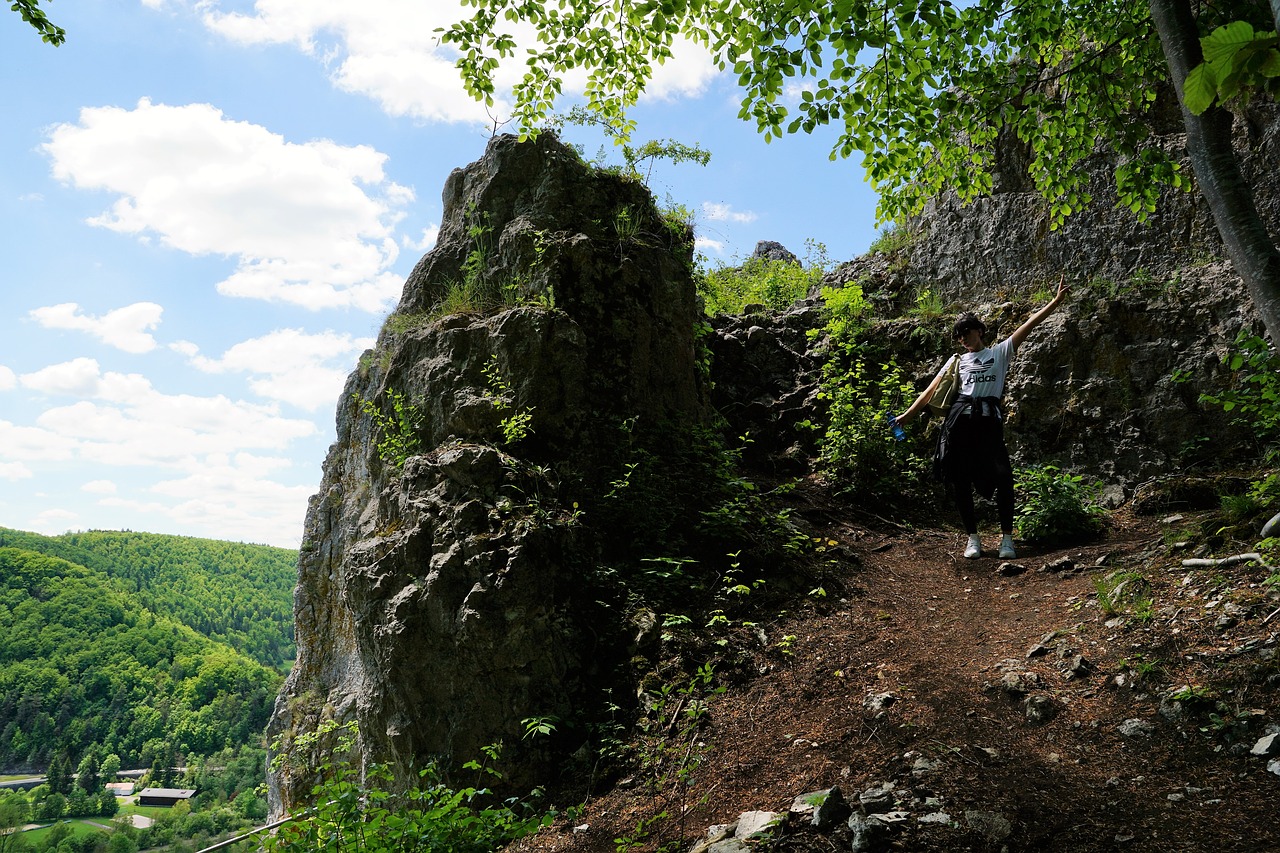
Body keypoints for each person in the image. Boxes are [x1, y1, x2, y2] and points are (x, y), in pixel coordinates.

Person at [891, 277, 1070, 559]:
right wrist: (907, 415)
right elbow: (930, 392)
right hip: (960, 423)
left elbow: (1029, 326)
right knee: (960, 479)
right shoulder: (957, 362)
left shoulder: (999, 353)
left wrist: (1055, 302)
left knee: (1003, 477)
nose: (962, 338)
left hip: (988, 424)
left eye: (966, 332)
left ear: (979, 330)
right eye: (958, 335)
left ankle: (1007, 540)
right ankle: (972, 539)